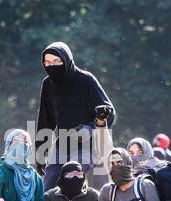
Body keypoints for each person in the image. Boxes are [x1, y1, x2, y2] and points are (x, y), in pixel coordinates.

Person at [35, 41, 116, 191]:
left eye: (56, 61)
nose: (52, 66)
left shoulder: (86, 79)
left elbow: (109, 112)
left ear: (66, 59)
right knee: (48, 188)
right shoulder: (48, 84)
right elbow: (45, 120)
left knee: (71, 177)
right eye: (47, 62)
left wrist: (90, 127)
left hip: (89, 143)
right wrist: (40, 150)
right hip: (63, 144)